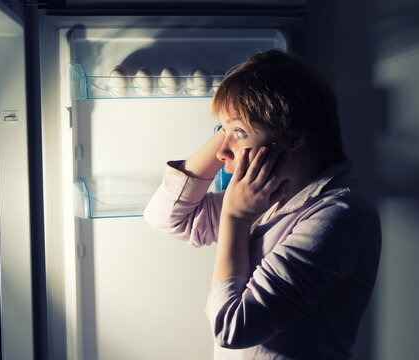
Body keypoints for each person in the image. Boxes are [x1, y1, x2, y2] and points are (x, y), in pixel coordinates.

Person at [143, 49, 381, 360]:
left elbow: (233, 329)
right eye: (222, 132)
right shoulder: (272, 195)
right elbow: (166, 217)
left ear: (294, 135)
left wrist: (235, 217)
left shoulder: (340, 217)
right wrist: (232, 122)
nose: (222, 152)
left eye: (239, 134)